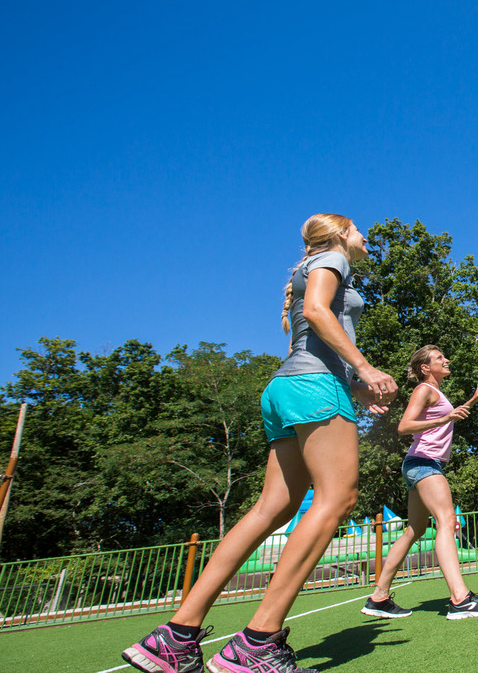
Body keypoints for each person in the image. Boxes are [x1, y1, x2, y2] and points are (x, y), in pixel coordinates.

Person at [123, 213, 399, 673]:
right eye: (357, 229)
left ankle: (175, 637)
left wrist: (355, 386)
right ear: (338, 235)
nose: (364, 236)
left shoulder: (304, 266)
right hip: (313, 388)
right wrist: (367, 369)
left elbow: (309, 344)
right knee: (337, 500)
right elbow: (316, 313)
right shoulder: (333, 257)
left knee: (272, 508)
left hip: (287, 389)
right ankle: (258, 641)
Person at [361, 346, 478, 620]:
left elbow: (444, 418)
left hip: (419, 464)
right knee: (447, 521)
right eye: (439, 358)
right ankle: (461, 599)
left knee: (415, 529)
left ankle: (379, 597)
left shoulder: (436, 392)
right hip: (424, 462)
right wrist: (445, 417)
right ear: (425, 368)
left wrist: (472, 400)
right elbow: (404, 426)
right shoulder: (423, 390)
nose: (446, 360)